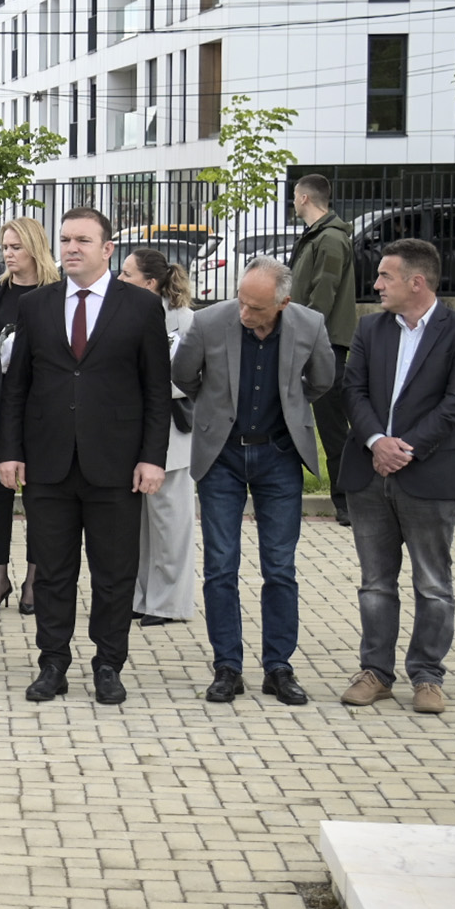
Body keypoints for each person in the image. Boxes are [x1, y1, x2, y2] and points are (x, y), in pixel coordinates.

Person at [0, 207, 171, 707]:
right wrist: (10, 451)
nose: (71, 248)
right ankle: (52, 663)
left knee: (114, 574)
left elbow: (156, 390)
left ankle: (108, 665)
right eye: (66, 239)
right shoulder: (36, 305)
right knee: (53, 573)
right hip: (48, 464)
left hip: (116, 465)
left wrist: (152, 458)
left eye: (83, 240)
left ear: (108, 249)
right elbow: (17, 387)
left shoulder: (141, 307)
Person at [172, 257, 333, 707]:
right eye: (242, 301)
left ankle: (278, 667)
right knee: (221, 565)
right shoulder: (209, 322)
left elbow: (322, 381)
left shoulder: (310, 325)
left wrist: (290, 405)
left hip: (279, 455)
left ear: (283, 303)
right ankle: (227, 666)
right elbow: (183, 375)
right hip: (221, 456)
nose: (245, 312)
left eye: (257, 308)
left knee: (279, 567)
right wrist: (215, 410)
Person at [335, 238, 455, 715]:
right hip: (368, 472)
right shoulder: (369, 328)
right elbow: (352, 390)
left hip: (430, 475)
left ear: (416, 282)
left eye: (385, 276)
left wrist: (406, 449)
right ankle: (375, 672)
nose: (376, 284)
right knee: (375, 583)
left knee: (433, 584)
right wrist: (377, 441)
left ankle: (427, 676)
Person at [0, 217, 58, 615]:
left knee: (39, 498)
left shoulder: (56, 293)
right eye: (4, 248)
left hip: (43, 408)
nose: (8, 254)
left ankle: (33, 579)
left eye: (15, 247)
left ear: (34, 248)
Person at [120, 246, 197, 627]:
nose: (119, 279)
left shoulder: (184, 320)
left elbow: (191, 377)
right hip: (131, 429)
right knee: (138, 527)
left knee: (170, 523)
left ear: (149, 283)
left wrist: (146, 386)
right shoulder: (125, 313)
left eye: (127, 274)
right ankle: (141, 597)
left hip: (171, 434)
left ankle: (169, 604)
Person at [288, 174, 358, 526]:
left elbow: (323, 293)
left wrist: (304, 339)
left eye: (294, 196)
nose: (293, 202)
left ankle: (347, 502)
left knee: (333, 428)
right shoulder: (317, 236)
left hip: (323, 345)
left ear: (304, 198)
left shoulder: (329, 238)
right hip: (310, 341)